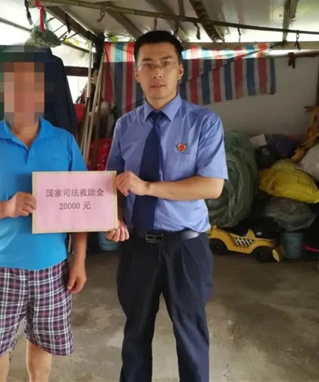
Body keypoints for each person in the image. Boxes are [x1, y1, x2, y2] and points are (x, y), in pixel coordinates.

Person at [0, 59, 88, 382]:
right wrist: (5, 208)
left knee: (43, 343)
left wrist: (79, 261)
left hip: (52, 267)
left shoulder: (64, 142)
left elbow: (83, 207)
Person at [105, 31, 228, 382]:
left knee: (191, 336)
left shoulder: (204, 123)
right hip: (137, 245)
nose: (157, 72)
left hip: (185, 247)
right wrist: (113, 217)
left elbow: (212, 186)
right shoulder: (125, 126)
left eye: (165, 63)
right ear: (137, 73)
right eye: (147, 64)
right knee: (135, 333)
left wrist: (147, 188)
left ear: (180, 70)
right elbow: (111, 182)